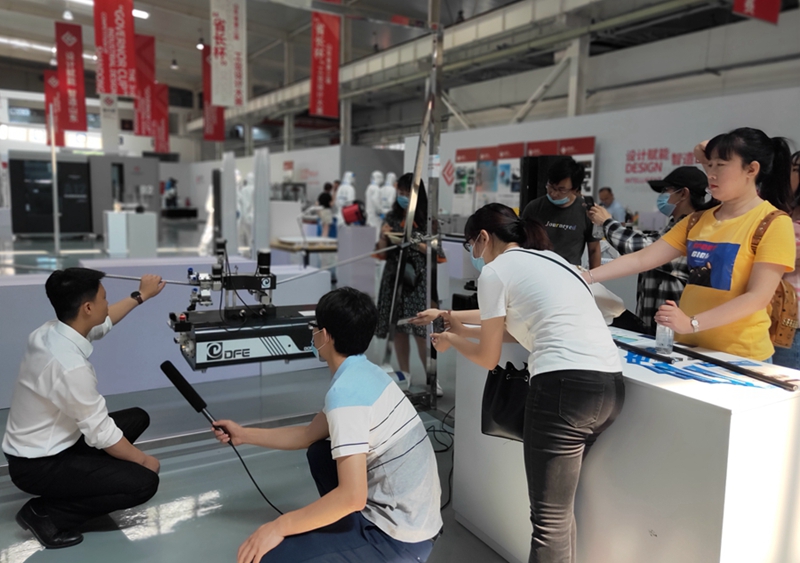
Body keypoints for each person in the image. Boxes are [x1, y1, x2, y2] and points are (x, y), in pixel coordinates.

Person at [415, 203, 624, 563]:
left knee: (548, 523)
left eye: (470, 245)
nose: (474, 255)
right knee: (559, 516)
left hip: (562, 390)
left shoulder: (495, 272)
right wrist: (454, 321)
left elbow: (488, 357)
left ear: (483, 238)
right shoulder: (552, 260)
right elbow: (517, 325)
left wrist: (452, 340)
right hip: (609, 388)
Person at [212, 287, 442, 563]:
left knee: (269, 557)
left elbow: (352, 497)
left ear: (325, 335)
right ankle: (344, 533)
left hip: (399, 539)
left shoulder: (345, 396)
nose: (312, 333)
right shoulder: (365, 372)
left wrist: (278, 526)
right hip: (416, 518)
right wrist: (243, 435)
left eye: (315, 326)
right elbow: (307, 435)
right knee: (320, 453)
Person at [585, 128, 795, 362]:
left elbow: (757, 297)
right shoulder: (697, 220)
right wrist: (586, 277)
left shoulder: (773, 223)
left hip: (741, 356)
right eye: (709, 165)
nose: (711, 174)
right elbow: (642, 259)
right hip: (688, 349)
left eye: (720, 165)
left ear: (752, 169)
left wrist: (692, 323)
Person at [2, 268, 166, 549]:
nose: (107, 303)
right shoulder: (69, 366)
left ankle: (89, 480)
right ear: (88, 308)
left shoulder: (50, 331)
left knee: (137, 418)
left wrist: (141, 296)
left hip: (52, 442)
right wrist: (144, 461)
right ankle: (47, 515)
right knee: (144, 482)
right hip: (38, 464)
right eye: (104, 298)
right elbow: (102, 433)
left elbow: (103, 323)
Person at [588, 167, 715, 333]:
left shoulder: (694, 230)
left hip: (671, 331)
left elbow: (643, 250)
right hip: (653, 324)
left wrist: (607, 223)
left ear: (683, 194)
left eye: (666, 190)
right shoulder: (674, 225)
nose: (662, 196)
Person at [375, 173, 443, 395]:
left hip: (418, 281)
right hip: (394, 278)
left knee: (421, 329)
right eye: (401, 193)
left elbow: (436, 252)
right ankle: (405, 374)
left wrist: (412, 241)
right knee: (398, 329)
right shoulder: (392, 217)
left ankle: (432, 378)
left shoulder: (429, 221)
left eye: (407, 193)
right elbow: (381, 251)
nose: (403, 197)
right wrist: (385, 236)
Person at [521, 158, 601, 268]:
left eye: (561, 190)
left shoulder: (587, 211)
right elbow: (520, 242)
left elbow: (594, 250)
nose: (554, 193)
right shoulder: (534, 208)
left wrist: (593, 277)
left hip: (568, 272)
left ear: (574, 189)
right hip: (536, 269)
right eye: (551, 186)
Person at [773, 150, 800, 369]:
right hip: (772, 315)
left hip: (792, 322)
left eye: (796, 170)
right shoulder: (785, 213)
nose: (790, 175)